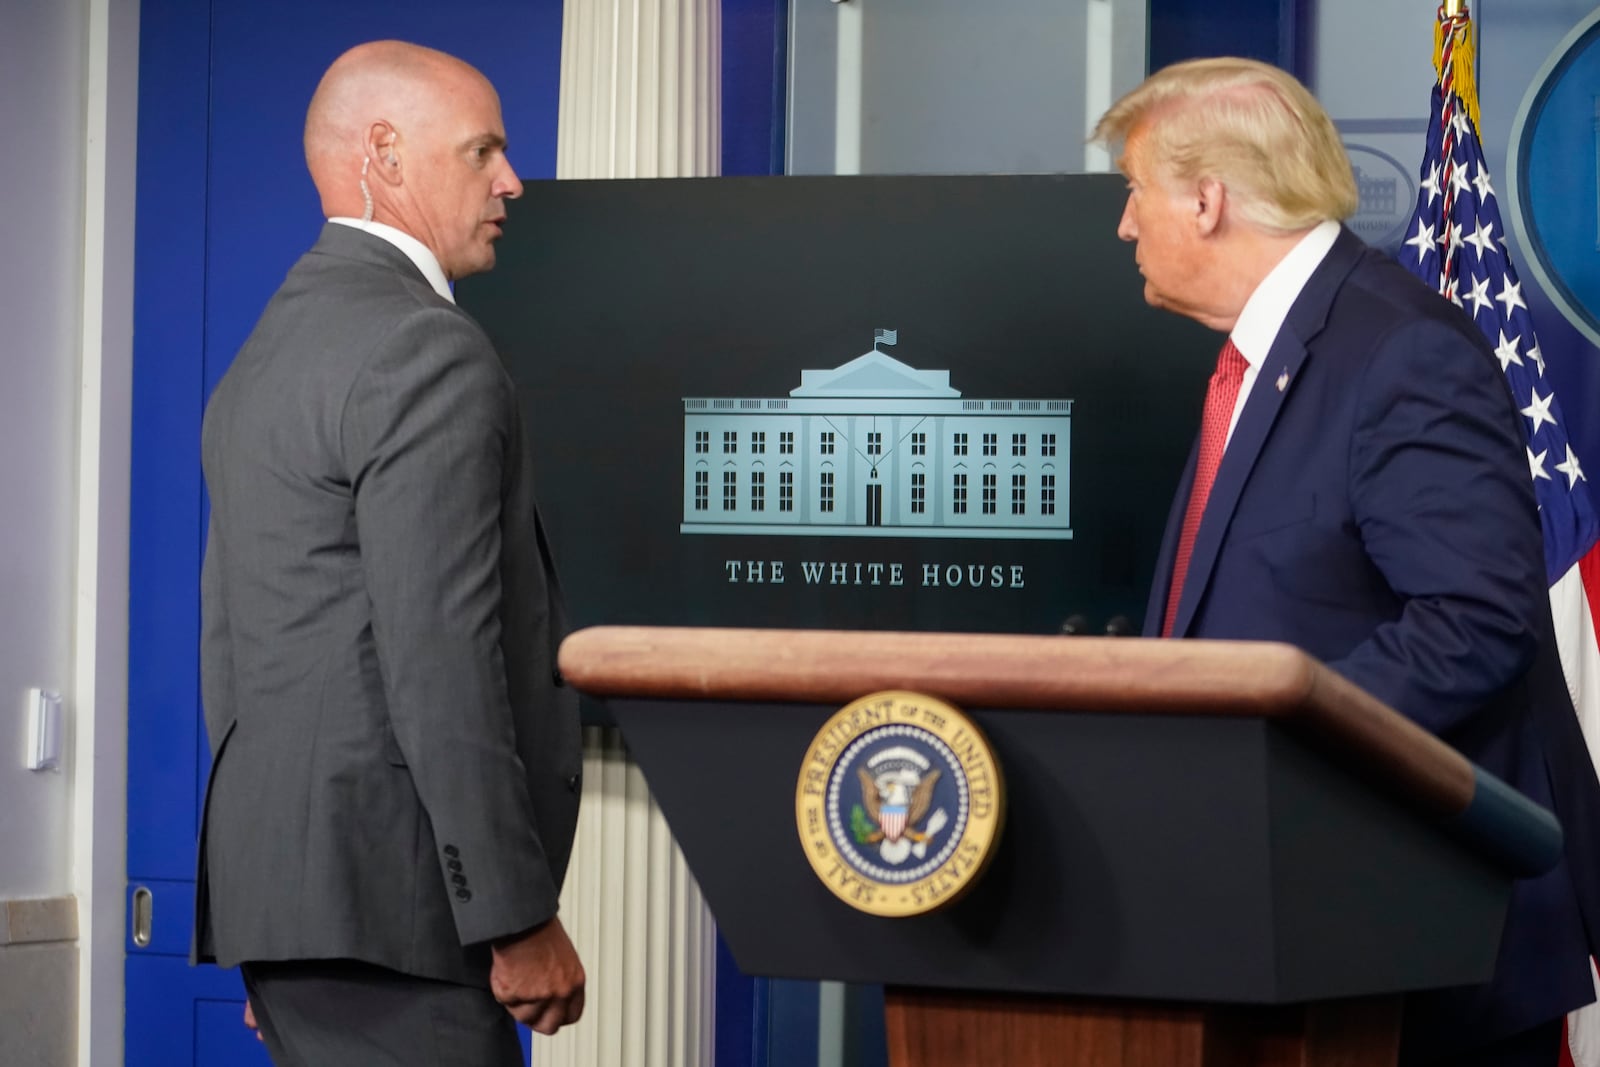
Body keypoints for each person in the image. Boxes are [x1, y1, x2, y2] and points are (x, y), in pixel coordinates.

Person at [1093, 56, 1600, 1066]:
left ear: (1205, 199)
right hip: (1288, 924)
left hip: (1417, 945)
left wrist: (1265, 742)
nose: (1122, 224)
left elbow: (1473, 620)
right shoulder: (1262, 355)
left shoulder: (1399, 349)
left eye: (1133, 191)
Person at [192, 40, 585, 1065]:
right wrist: (514, 913)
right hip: (407, 916)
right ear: (386, 154)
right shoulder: (426, 347)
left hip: (305, 908)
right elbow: (441, 653)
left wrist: (281, 921)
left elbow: (235, 644)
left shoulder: (266, 350)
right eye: (483, 151)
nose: (512, 181)